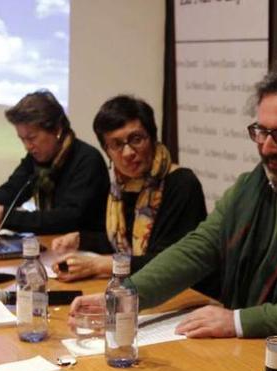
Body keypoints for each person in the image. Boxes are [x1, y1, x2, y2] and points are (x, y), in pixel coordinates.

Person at [71, 57, 277, 342]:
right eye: (261, 132)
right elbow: (199, 248)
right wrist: (127, 295)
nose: (267, 147)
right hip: (253, 349)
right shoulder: (252, 186)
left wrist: (239, 321)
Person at [49, 95, 207, 280]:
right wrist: (80, 239)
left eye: (136, 139)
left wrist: (99, 265)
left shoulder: (181, 183)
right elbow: (126, 242)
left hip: (185, 293)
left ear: (153, 138)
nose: (128, 152)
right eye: (116, 144)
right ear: (106, 150)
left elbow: (170, 262)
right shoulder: (122, 185)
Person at [0, 90, 108, 235]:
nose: (27, 146)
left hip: (86, 252)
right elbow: (13, 188)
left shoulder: (88, 160)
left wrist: (7, 217)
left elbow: (68, 219)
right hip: (52, 246)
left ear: (57, 130)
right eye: (22, 139)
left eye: (31, 138)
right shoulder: (37, 158)